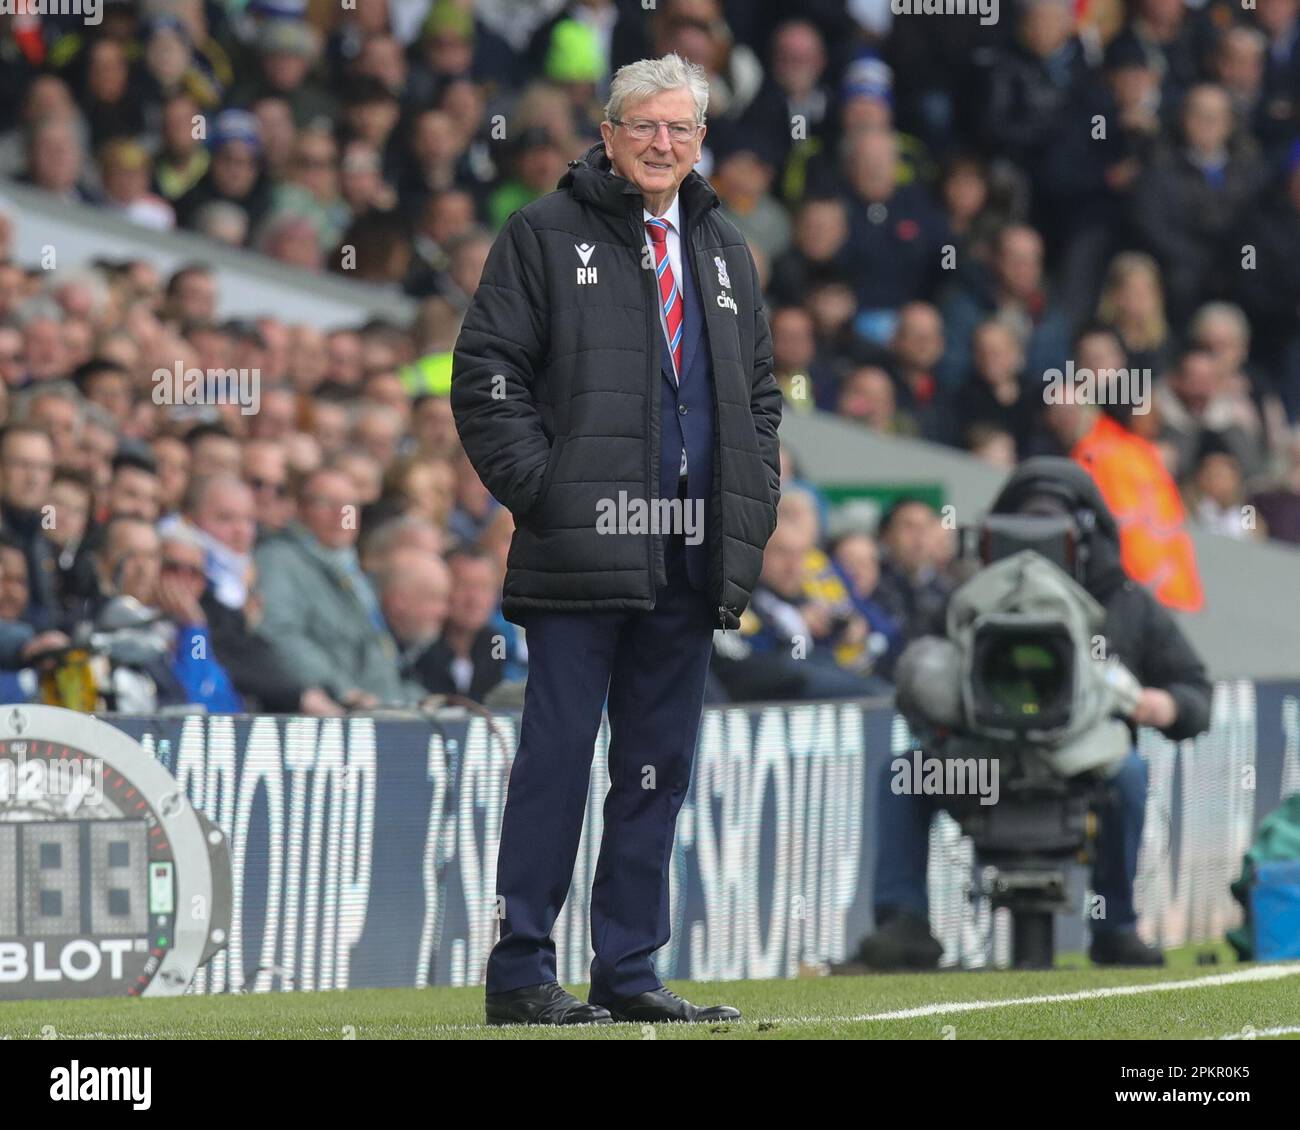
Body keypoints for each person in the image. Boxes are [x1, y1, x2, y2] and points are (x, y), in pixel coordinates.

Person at [452, 53, 781, 1025]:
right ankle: (521, 971)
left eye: (679, 128)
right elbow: (487, 377)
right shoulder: (543, 235)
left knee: (654, 769)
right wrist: (547, 492)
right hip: (580, 548)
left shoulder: (724, 247)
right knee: (556, 758)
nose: (661, 143)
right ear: (606, 134)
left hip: (688, 551)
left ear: (700, 141)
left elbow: (758, 399)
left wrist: (746, 508)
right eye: (642, 125)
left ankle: (629, 970)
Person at [849, 458, 1212, 970]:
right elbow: (916, 679)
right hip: (983, 763)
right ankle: (903, 922)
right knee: (901, 774)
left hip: (1081, 769)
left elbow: (1197, 693)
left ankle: (1115, 928)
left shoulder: (1125, 602)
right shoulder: (968, 598)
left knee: (1130, 773)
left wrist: (1165, 705)